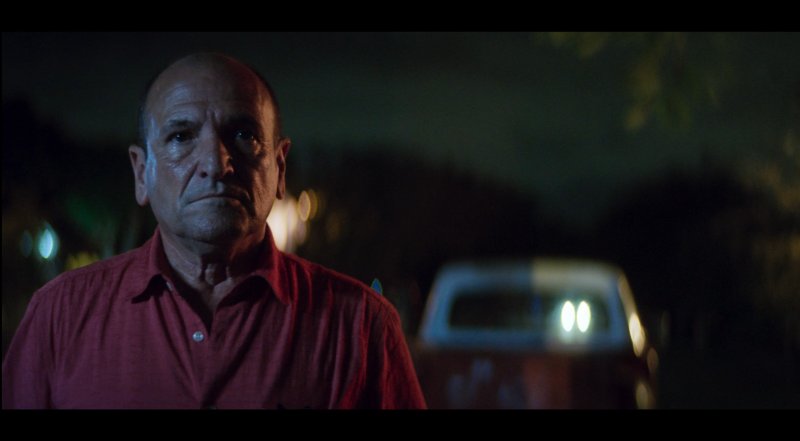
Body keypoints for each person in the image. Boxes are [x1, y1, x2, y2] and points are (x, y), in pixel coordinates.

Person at [2, 53, 427, 409]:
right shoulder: (60, 315)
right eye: (181, 136)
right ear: (141, 173)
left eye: (243, 134)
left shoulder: (361, 326)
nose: (215, 163)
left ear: (279, 169)